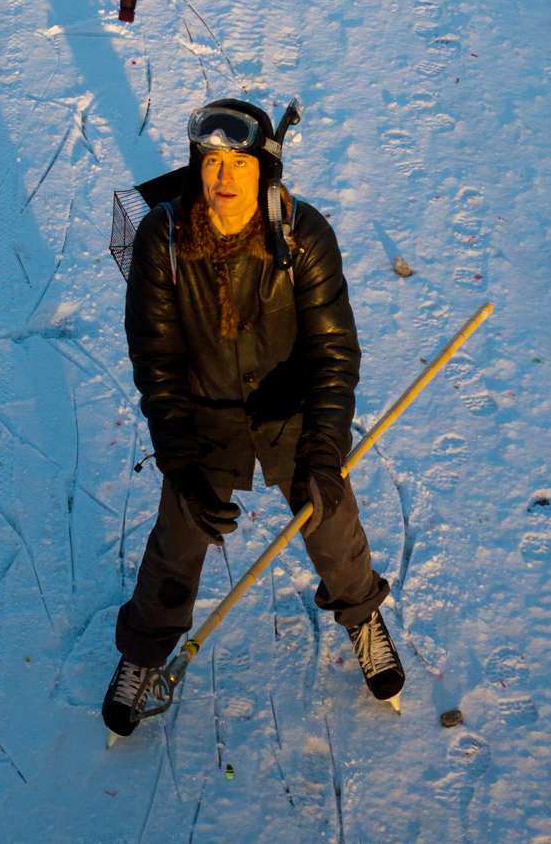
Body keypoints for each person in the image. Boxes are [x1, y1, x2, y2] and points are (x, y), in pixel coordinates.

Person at [102, 97, 404, 736]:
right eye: (211, 161)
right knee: (178, 537)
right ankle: (143, 653)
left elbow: (331, 352)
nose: (223, 177)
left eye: (238, 161)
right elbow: (156, 359)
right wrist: (180, 459)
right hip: (205, 415)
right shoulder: (163, 239)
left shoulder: (302, 234)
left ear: (266, 167)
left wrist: (324, 450)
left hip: (289, 412)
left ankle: (362, 614)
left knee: (331, 518)